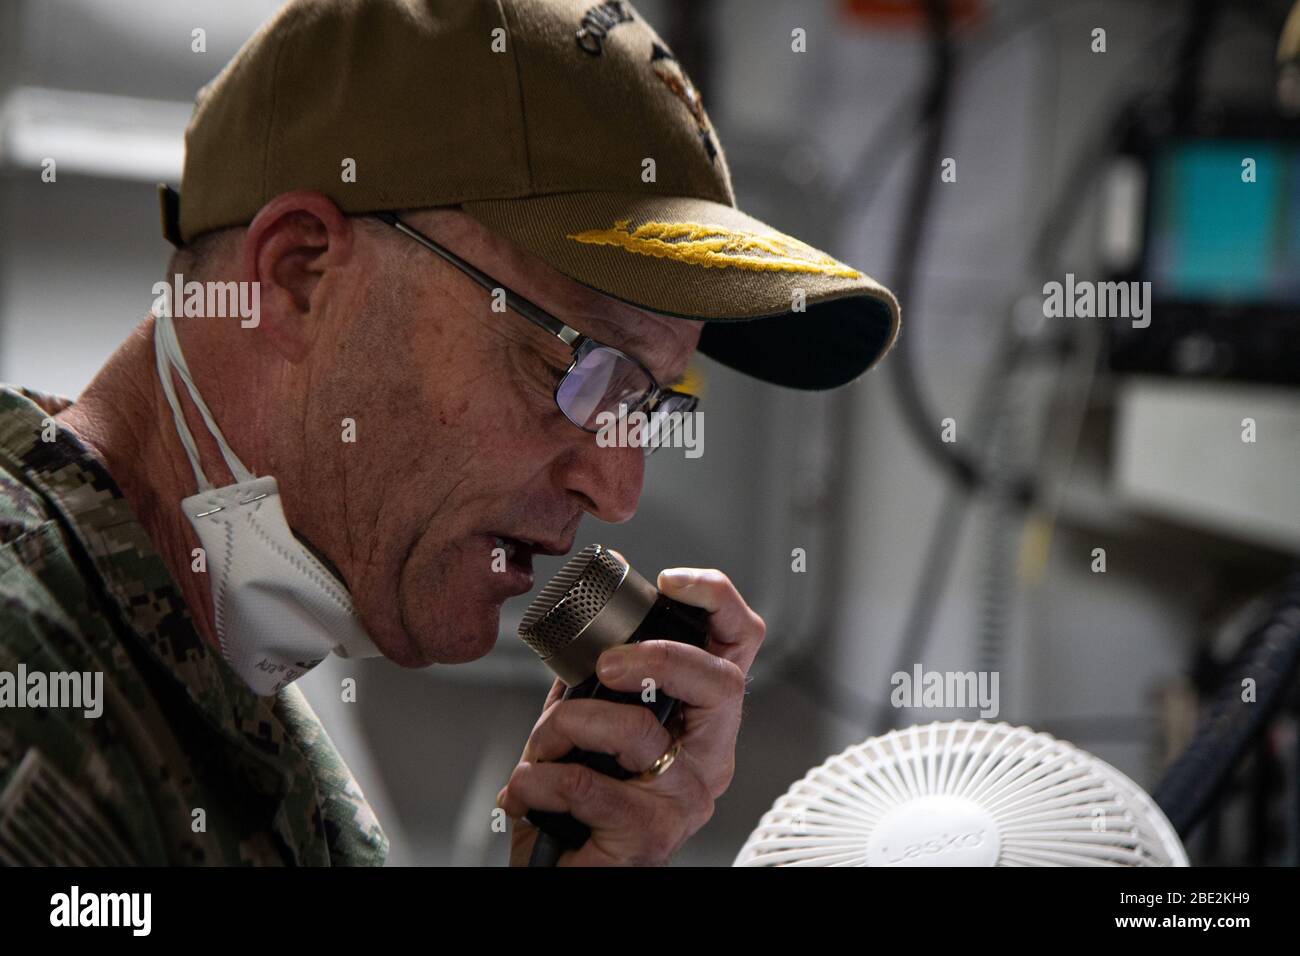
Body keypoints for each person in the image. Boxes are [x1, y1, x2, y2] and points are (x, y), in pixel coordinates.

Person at [0, 0, 898, 866]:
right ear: (299, 276)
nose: (618, 494)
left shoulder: (275, 769)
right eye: (579, 369)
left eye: (648, 402)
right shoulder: (27, 661)